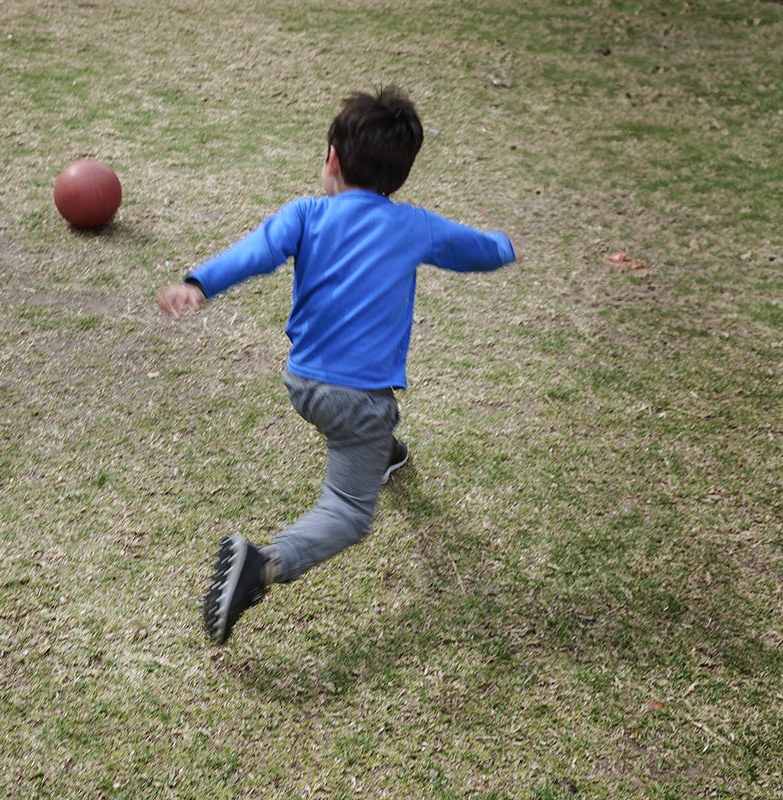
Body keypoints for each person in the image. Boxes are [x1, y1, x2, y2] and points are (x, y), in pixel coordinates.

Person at [156, 86, 516, 645]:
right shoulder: (412, 225)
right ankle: (261, 564)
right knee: (349, 512)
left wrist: (199, 283)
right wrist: (506, 245)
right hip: (358, 401)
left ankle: (383, 452)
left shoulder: (306, 214)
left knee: (365, 435)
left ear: (331, 159)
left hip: (303, 383)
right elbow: (477, 250)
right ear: (399, 175)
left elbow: (256, 251)